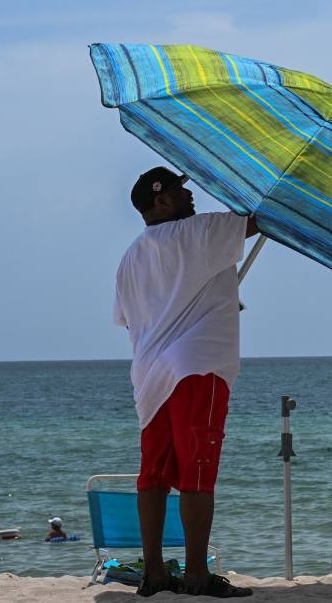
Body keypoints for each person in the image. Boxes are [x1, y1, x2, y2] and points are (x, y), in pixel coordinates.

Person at [113, 167, 258, 598]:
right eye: (181, 191)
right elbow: (260, 220)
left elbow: (128, 320)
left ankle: (154, 572)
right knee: (199, 472)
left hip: (149, 373)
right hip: (198, 366)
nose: (190, 196)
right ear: (160, 201)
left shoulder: (131, 256)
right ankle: (196, 573)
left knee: (153, 474)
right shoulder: (200, 232)